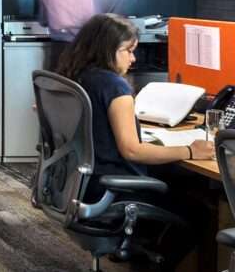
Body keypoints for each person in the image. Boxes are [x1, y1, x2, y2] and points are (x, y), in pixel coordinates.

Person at [56, 13, 214, 270]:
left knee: (176, 180)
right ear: (106, 50)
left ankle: (138, 252)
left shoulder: (76, 76)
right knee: (199, 212)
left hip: (80, 184)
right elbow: (132, 149)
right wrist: (190, 149)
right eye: (128, 50)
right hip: (113, 189)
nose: (133, 58)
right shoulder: (114, 87)